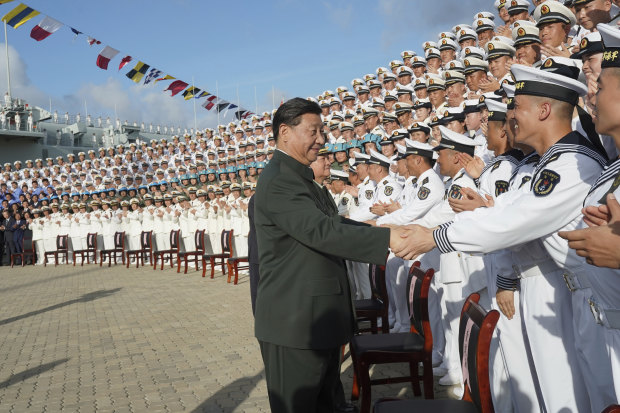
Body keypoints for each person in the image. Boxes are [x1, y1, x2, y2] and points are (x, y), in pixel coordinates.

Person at [253, 98, 403, 413]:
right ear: (285, 132)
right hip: (295, 324)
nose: (322, 139)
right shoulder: (280, 179)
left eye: (323, 130)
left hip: (316, 318)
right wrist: (388, 239)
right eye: (314, 131)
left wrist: (380, 228)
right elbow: (321, 233)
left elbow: (332, 223)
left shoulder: (298, 177)